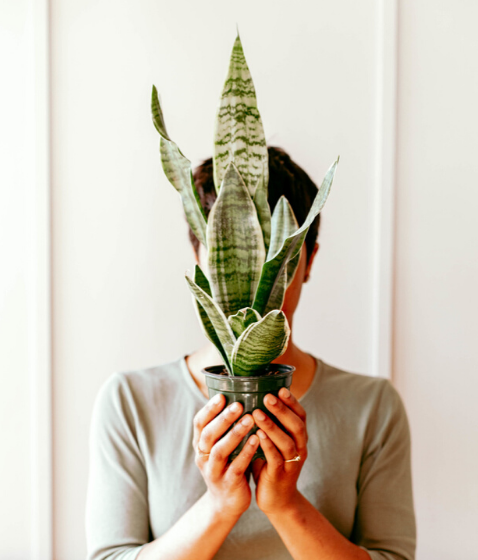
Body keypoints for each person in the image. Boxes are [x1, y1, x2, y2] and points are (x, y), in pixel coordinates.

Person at [85, 147, 416, 560]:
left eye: (276, 261)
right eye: (233, 256)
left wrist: (285, 505)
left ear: (309, 261)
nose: (252, 284)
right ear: (199, 258)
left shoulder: (372, 406)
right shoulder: (130, 401)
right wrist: (220, 506)